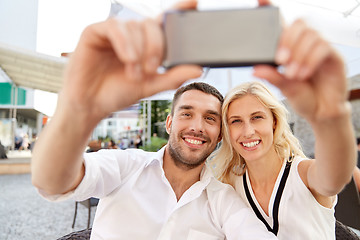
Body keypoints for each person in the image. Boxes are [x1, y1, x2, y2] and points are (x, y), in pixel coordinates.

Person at [31, 1, 277, 239]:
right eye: (186, 113)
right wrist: (79, 111)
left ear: (220, 134)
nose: (197, 126)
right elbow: (51, 182)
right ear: (169, 123)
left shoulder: (223, 200)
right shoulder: (127, 166)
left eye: (210, 118)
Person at [210, 18, 357, 240]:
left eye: (257, 117)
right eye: (236, 121)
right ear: (227, 131)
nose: (248, 130)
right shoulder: (230, 185)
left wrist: (332, 118)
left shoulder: (304, 174)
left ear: (275, 122)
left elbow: (336, 176)